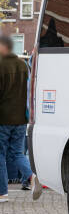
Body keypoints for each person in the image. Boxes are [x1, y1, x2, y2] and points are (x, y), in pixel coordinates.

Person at [0, 36, 41, 202]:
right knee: (17, 152)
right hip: (20, 119)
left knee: (0, 155)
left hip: (3, 118)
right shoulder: (22, 65)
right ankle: (31, 177)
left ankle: (2, 193)